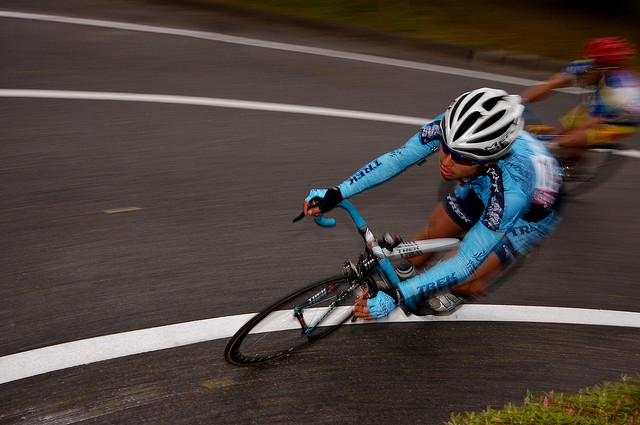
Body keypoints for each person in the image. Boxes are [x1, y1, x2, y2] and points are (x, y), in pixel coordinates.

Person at [302, 88, 563, 319]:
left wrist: (397, 296)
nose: (446, 161)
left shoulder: (515, 188)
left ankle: (457, 293)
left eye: (460, 157)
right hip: (480, 181)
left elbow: (464, 261)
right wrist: (337, 192)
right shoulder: (455, 128)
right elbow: (397, 159)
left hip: (529, 213)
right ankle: (405, 279)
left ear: (489, 159)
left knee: (465, 279)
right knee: (433, 232)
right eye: (445, 148)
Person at [520, 36, 640, 151]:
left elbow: (592, 121)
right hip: (601, 107)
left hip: (621, 120)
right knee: (562, 127)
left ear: (605, 70)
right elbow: (549, 85)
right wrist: (518, 100)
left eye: (593, 67)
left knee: (575, 137)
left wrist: (554, 143)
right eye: (589, 62)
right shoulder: (587, 66)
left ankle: (573, 162)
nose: (588, 69)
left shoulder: (616, 89)